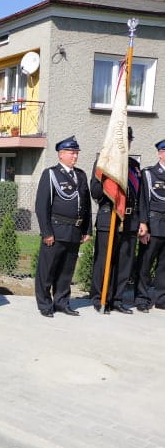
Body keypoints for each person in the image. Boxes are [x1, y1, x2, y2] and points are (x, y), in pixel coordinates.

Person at [34, 136, 92, 318]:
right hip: (56, 230)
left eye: (76, 153)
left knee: (67, 271)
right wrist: (46, 232)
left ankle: (62, 302)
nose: (75, 156)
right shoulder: (51, 174)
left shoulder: (81, 175)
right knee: (48, 269)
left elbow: (87, 205)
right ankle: (45, 304)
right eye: (71, 152)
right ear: (61, 154)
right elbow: (41, 206)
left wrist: (87, 230)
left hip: (74, 231)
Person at [90, 127, 140, 314]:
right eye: (122, 141)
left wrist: (141, 221)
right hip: (108, 218)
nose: (125, 145)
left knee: (124, 263)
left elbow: (140, 195)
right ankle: (99, 298)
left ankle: (117, 299)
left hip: (130, 220)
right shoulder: (103, 163)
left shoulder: (134, 165)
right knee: (104, 262)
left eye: (128, 141)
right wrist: (107, 178)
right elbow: (95, 192)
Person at [134, 138, 165, 312]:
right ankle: (142, 299)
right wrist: (143, 223)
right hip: (153, 225)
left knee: (164, 266)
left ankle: (161, 299)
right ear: (160, 154)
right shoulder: (149, 173)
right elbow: (143, 201)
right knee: (145, 264)